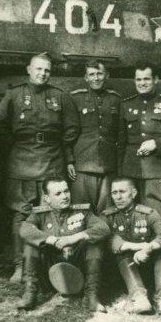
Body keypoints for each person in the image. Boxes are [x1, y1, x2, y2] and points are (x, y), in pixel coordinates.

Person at [0, 53, 80, 285]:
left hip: (52, 160)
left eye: (47, 70)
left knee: (51, 213)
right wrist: (14, 145)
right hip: (21, 160)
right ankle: (20, 265)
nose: (43, 73)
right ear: (29, 70)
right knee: (21, 214)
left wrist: (65, 153)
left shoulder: (60, 96)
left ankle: (48, 264)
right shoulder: (13, 95)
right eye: (39, 69)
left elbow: (72, 128)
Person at [18, 178, 111, 311]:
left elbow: (103, 228)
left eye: (66, 191)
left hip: (79, 270)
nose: (65, 196)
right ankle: (30, 293)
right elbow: (25, 229)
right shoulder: (39, 214)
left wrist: (74, 237)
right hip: (50, 270)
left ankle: (91, 295)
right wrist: (49, 239)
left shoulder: (82, 212)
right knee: (30, 245)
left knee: (94, 244)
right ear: (47, 198)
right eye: (58, 193)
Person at [118, 64, 161, 221]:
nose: (142, 83)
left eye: (146, 79)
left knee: (159, 217)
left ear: (155, 79)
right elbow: (120, 142)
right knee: (130, 218)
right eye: (138, 79)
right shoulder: (126, 104)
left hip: (157, 171)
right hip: (130, 171)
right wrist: (120, 173)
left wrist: (157, 144)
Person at [103, 177, 161, 317]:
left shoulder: (148, 213)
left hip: (148, 264)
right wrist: (137, 246)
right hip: (125, 269)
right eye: (114, 193)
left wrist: (148, 248)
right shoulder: (108, 216)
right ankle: (139, 296)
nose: (118, 197)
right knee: (122, 252)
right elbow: (109, 239)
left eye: (122, 192)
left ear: (134, 193)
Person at [68, 60, 121, 212]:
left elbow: (120, 133)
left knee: (107, 212)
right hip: (83, 164)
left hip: (108, 165)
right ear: (86, 78)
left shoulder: (115, 99)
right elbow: (69, 132)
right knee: (81, 212)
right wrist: (69, 160)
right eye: (91, 74)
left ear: (107, 75)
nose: (96, 78)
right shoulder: (76, 98)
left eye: (99, 74)